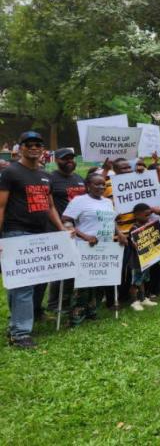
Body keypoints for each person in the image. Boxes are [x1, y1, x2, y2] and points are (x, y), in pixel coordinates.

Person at [0, 131, 70, 348]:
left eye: (38, 144)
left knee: (26, 282)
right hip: (16, 233)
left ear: (42, 149)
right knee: (24, 284)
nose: (34, 148)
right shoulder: (11, 172)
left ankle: (17, 324)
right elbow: (1, 206)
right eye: (28, 144)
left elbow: (49, 206)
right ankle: (20, 334)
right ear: (20, 148)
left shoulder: (45, 175)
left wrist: (61, 229)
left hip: (41, 234)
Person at [62, 173, 128, 324]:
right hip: (84, 247)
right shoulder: (79, 201)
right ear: (87, 186)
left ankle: (92, 311)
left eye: (103, 184)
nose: (101, 187)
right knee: (83, 283)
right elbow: (66, 221)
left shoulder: (107, 202)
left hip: (105, 247)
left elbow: (112, 221)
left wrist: (120, 234)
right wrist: (84, 236)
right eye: (97, 184)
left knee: (100, 280)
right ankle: (76, 315)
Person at [43, 147, 87, 318]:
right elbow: (48, 205)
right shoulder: (50, 178)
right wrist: (62, 225)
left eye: (71, 158)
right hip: (58, 229)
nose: (69, 161)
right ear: (56, 160)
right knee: (60, 268)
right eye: (64, 158)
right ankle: (54, 304)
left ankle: (66, 301)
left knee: (73, 266)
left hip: (78, 230)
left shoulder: (79, 179)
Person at [126, 203, 160, 311]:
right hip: (136, 261)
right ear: (136, 215)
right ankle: (134, 301)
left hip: (147, 259)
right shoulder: (133, 228)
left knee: (143, 280)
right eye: (145, 215)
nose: (148, 218)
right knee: (135, 282)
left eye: (149, 216)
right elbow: (133, 244)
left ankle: (143, 298)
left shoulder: (149, 226)